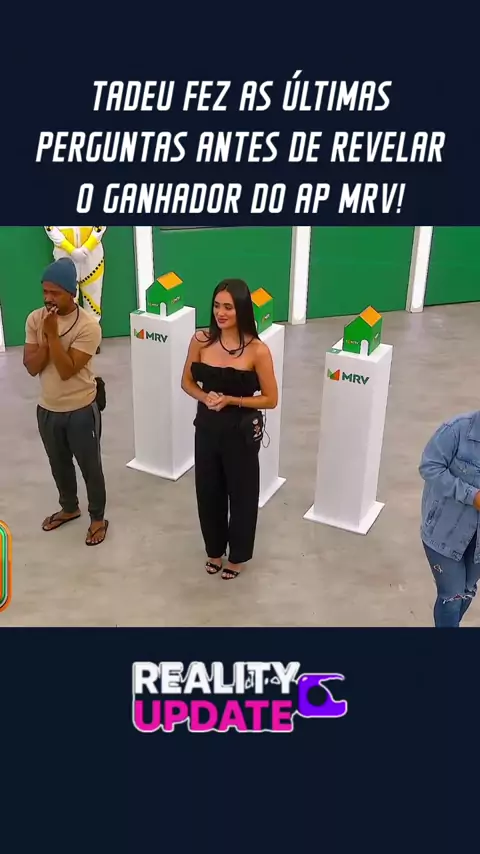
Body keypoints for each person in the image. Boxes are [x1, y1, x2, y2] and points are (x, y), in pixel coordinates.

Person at [181, 279, 278, 580]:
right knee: (208, 492)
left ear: (242, 310)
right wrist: (205, 397)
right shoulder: (200, 341)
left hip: (240, 433)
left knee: (242, 495)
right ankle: (213, 551)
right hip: (206, 429)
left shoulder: (258, 351)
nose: (220, 313)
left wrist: (231, 400)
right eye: (216, 306)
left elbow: (271, 399)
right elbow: (186, 382)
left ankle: (237, 556)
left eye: (228, 307)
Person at [23, 257, 109, 546]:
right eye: (45, 291)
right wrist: (48, 338)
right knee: (58, 464)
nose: (48, 298)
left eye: (55, 293)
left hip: (81, 409)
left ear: (71, 293)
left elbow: (67, 369)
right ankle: (70, 508)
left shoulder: (88, 327)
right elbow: (31, 366)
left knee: (90, 467)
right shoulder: (35, 319)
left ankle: (97, 518)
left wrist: (50, 336)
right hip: (48, 408)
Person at [419, 411, 480, 627]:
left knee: (467, 591)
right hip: (445, 533)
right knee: (451, 597)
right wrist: (472, 496)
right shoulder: (456, 430)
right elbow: (429, 467)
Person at [44, 226, 107, 353]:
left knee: (93, 300)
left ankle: (92, 338)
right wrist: (71, 249)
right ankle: (70, 338)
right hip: (64, 255)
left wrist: (87, 248)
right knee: (67, 301)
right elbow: (50, 228)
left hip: (92, 256)